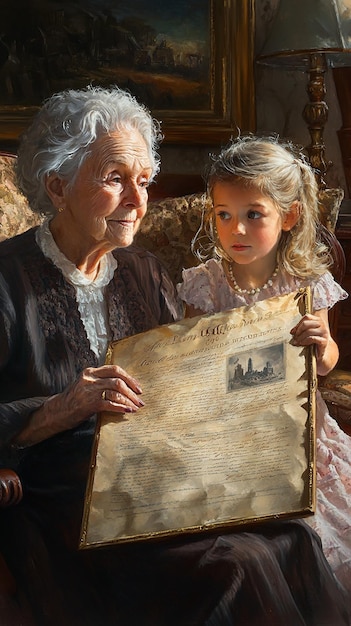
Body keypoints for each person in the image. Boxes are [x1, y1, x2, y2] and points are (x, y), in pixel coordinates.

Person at [0, 91, 349, 626]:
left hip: (165, 482)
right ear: (57, 185)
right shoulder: (7, 277)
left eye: (143, 181)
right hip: (70, 500)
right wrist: (60, 408)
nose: (138, 201)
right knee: (241, 562)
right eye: (115, 178)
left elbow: (193, 381)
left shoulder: (145, 271)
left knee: (293, 537)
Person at [177, 135, 351, 604]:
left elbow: (331, 357)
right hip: (232, 429)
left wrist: (320, 345)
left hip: (300, 430)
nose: (237, 229)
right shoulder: (204, 284)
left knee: (331, 535)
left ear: (288, 216)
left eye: (254, 214)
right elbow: (188, 362)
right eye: (223, 214)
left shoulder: (306, 282)